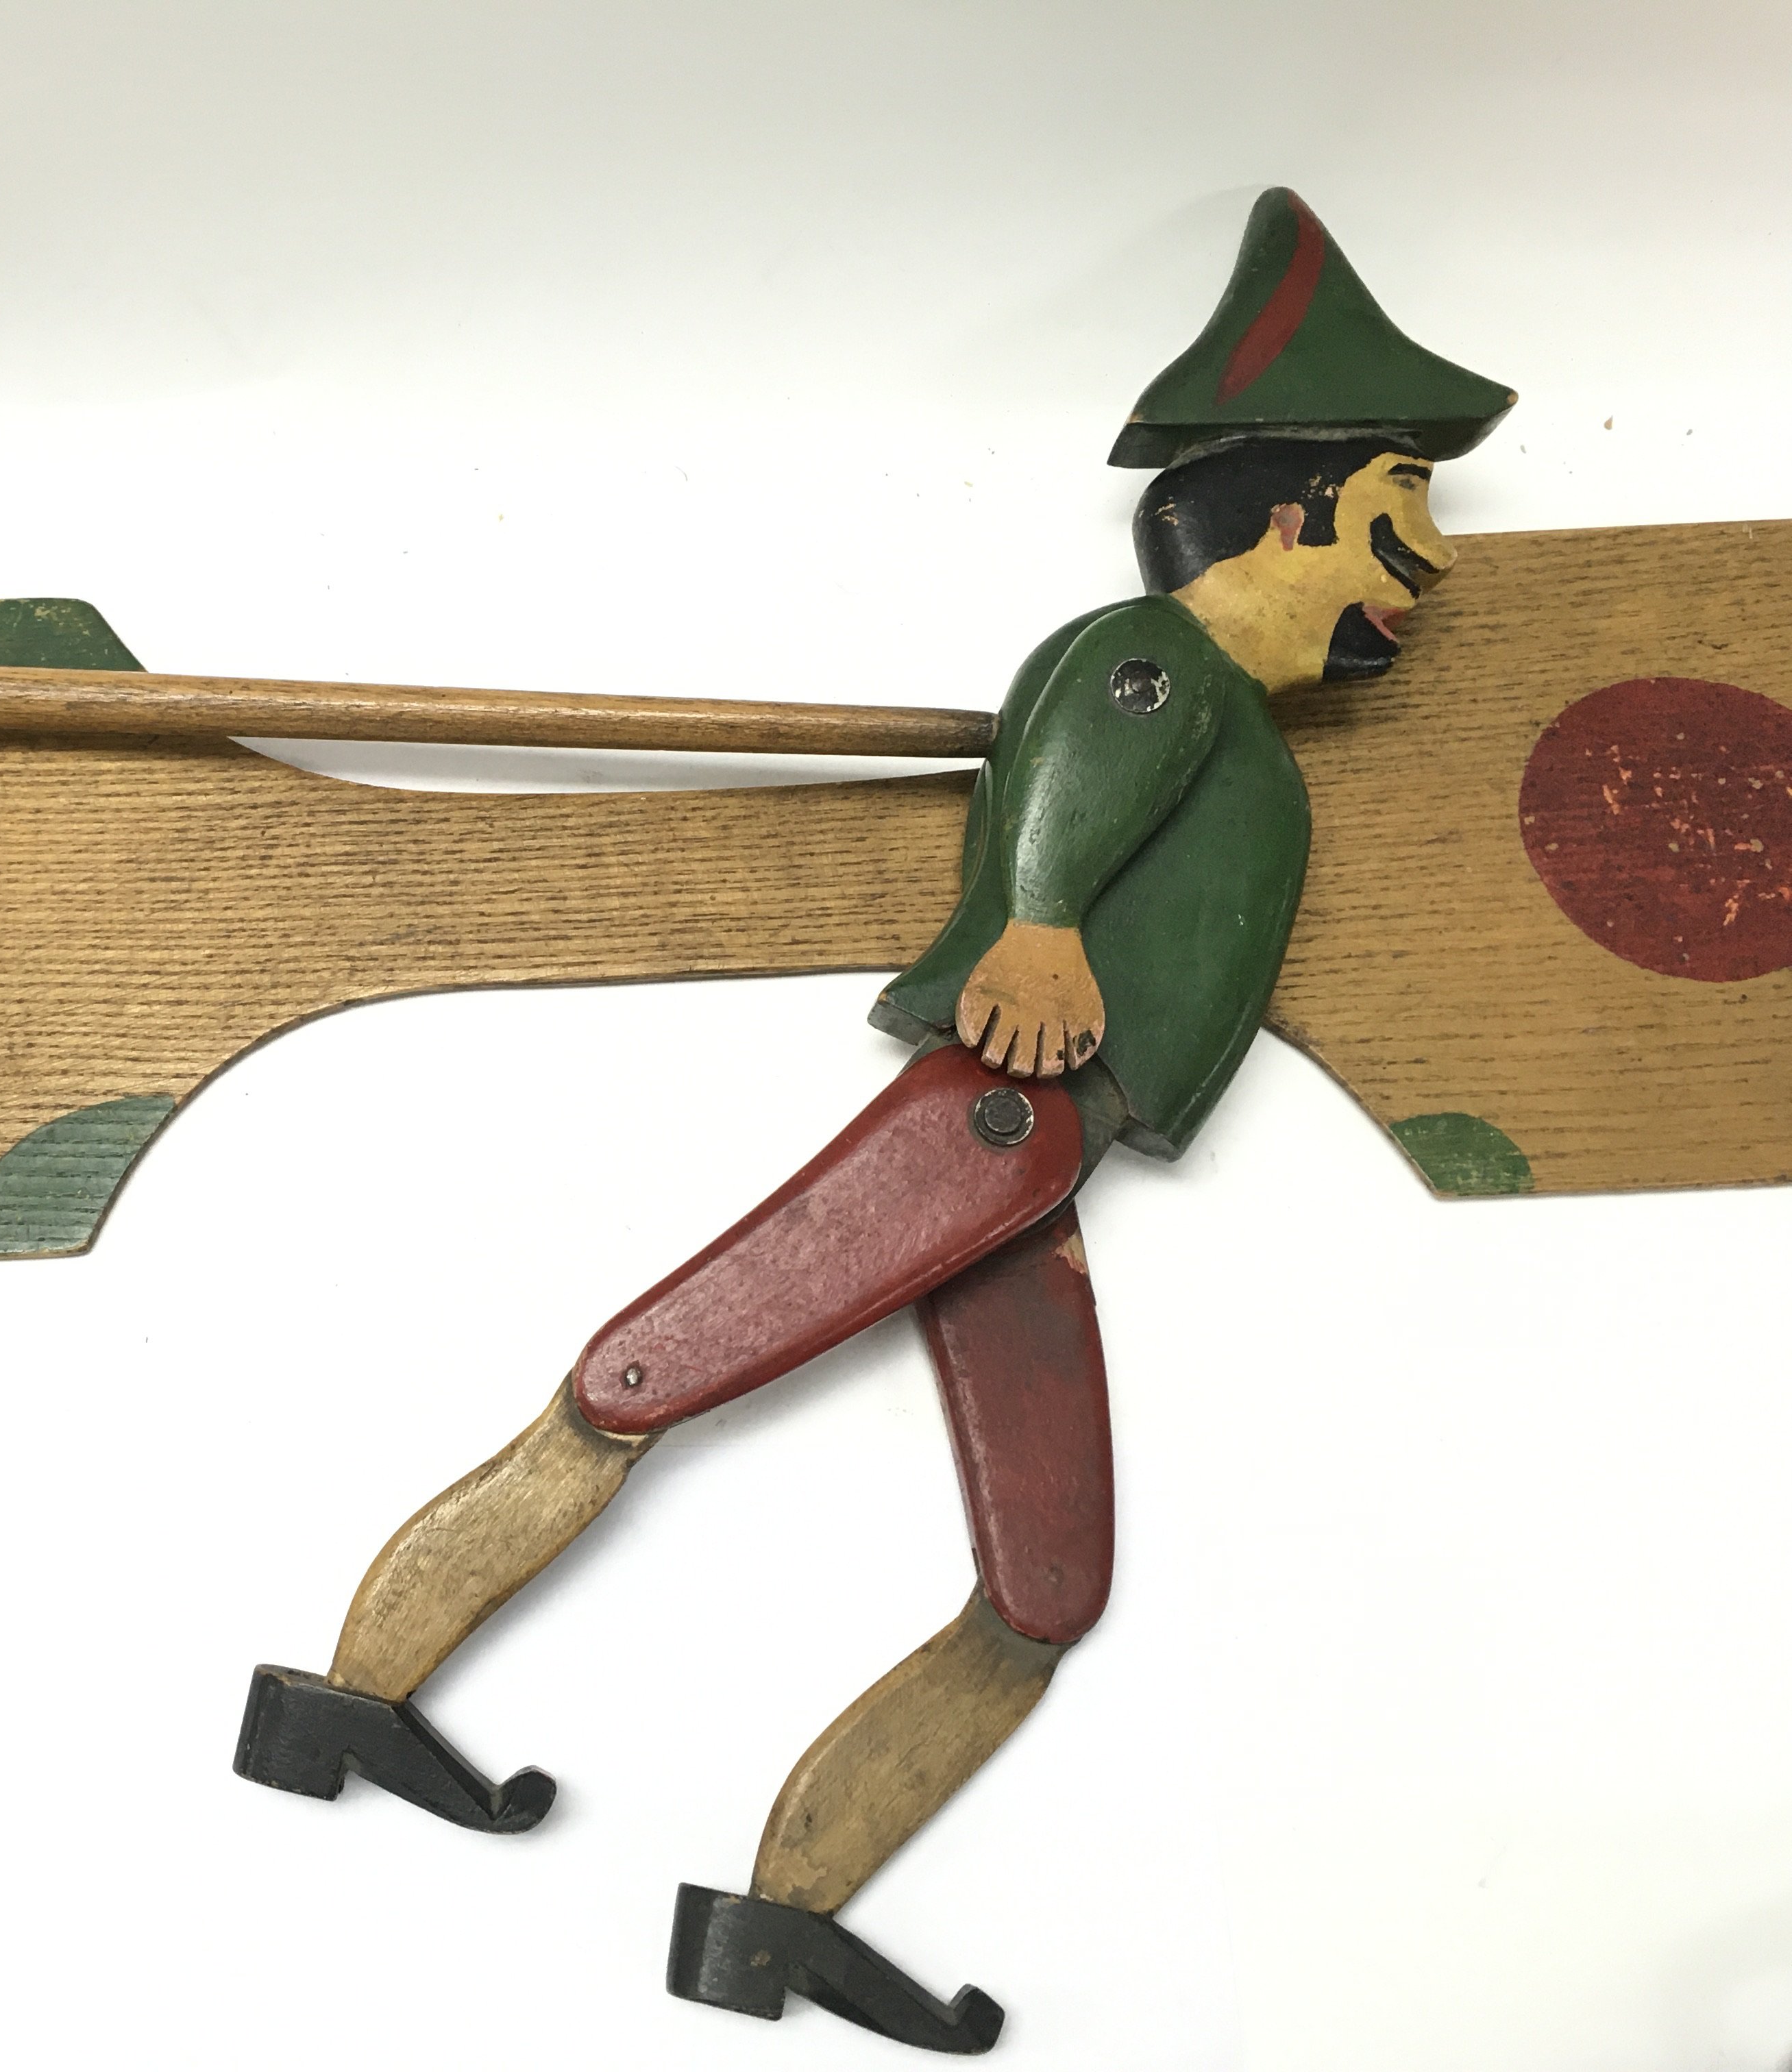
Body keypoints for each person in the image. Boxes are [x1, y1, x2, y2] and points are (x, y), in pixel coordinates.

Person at [234, 189, 1514, 2055]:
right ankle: (347, 1696)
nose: (1437, 563)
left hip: (1051, 1155)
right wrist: (1041, 924)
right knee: (644, 1376)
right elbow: (1071, 768)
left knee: (1045, 1588)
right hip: (1006, 1106)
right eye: (1407, 505)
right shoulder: (1158, 666)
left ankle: (781, 1919)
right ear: (1295, 511)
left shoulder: (1236, 717)